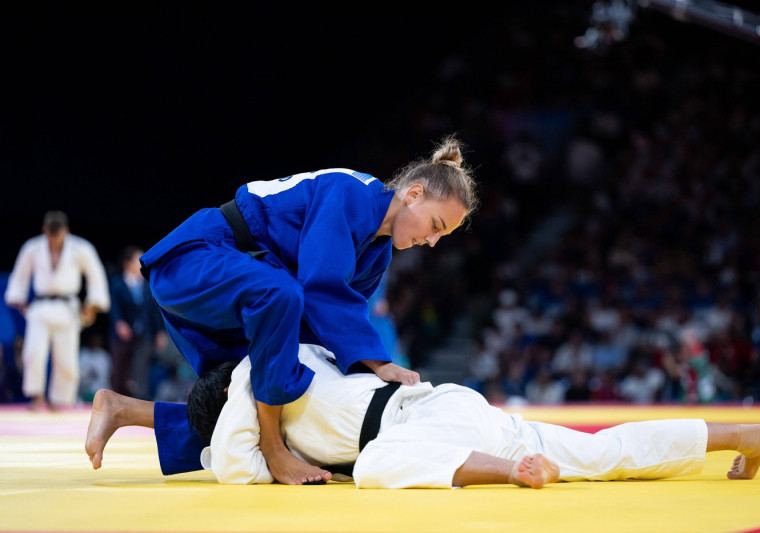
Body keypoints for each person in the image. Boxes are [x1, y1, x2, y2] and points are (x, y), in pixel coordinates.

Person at [132, 134, 479, 484]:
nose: (431, 241)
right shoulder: (351, 193)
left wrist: (356, 382)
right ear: (414, 194)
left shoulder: (378, 254)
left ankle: (121, 410)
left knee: (257, 400)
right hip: (195, 261)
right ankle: (272, 449)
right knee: (284, 297)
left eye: (441, 237)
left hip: (240, 297)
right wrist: (379, 362)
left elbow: (320, 330)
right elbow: (319, 289)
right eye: (435, 225)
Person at [85, 343, 760, 489]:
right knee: (599, 453)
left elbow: (238, 468)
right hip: (447, 402)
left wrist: (214, 450)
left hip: (415, 432)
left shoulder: (243, 397)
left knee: (374, 468)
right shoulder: (290, 348)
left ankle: (513, 471)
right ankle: (738, 433)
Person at [4, 210, 110, 410]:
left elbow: (96, 276)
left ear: (66, 231)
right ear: (44, 231)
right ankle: (37, 396)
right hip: (40, 307)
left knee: (66, 357)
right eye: (50, 234)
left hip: (67, 308)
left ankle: (60, 400)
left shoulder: (80, 248)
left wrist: (93, 305)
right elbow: (20, 275)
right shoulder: (33, 247)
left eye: (57, 234)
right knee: (33, 353)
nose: (53, 239)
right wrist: (18, 299)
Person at [108, 245, 167, 399]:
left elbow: (154, 311)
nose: (140, 265)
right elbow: (114, 308)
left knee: (142, 368)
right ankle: (118, 400)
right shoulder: (117, 283)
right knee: (120, 368)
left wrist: (159, 331)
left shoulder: (146, 286)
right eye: (137, 261)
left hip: (144, 332)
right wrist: (119, 323)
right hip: (122, 333)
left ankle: (141, 400)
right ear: (127, 263)